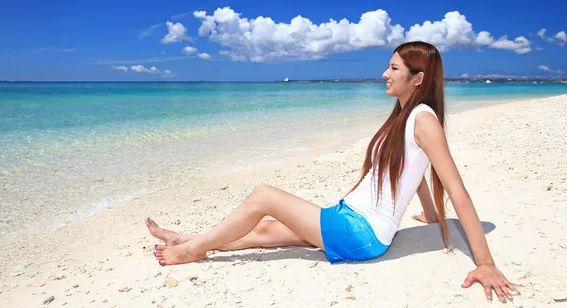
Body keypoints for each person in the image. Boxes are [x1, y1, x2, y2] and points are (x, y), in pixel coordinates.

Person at [145, 41, 518, 303]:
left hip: (360, 234)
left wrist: (485, 264)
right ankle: (187, 239)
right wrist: (433, 216)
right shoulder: (405, 118)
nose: (384, 73)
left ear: (418, 78)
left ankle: (191, 250)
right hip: (348, 219)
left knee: (263, 196)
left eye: (393, 68)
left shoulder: (423, 120)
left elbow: (457, 188)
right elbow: (415, 172)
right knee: (261, 230)